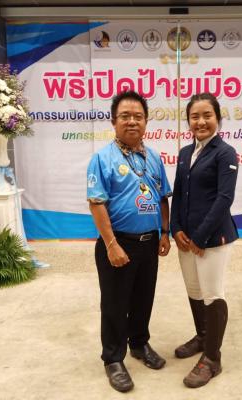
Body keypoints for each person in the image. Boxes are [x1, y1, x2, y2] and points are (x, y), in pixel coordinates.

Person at [87, 90, 171, 393]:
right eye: (125, 116)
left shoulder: (154, 157)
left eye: (138, 116)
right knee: (114, 303)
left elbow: (163, 197)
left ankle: (139, 344)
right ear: (114, 121)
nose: (132, 121)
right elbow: (97, 203)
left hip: (149, 243)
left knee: (143, 298)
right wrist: (111, 244)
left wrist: (165, 232)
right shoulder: (102, 158)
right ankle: (113, 358)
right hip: (118, 243)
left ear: (146, 121)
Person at [170, 92, 239, 388]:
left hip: (213, 239)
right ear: (188, 121)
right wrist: (175, 229)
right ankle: (202, 337)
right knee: (194, 290)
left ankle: (212, 358)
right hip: (186, 238)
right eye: (194, 116)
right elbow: (178, 192)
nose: (200, 121)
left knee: (212, 294)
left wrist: (199, 237)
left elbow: (224, 198)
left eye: (207, 115)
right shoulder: (185, 153)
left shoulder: (225, 153)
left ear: (218, 119)